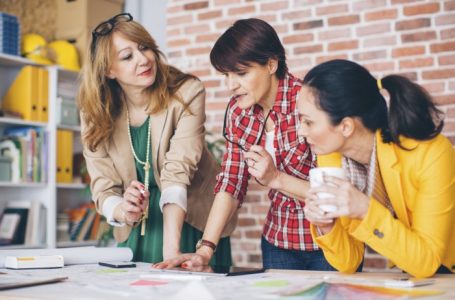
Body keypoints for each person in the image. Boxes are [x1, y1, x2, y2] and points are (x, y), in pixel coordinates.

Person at [155, 18, 335, 271]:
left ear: (271, 64)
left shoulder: (309, 103)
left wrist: (275, 177)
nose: (231, 85)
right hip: (279, 241)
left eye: (241, 73)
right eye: (226, 75)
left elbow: (335, 189)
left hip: (329, 243)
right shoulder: (240, 112)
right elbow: (231, 180)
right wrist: (205, 250)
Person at [78, 13, 236, 264]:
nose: (143, 60)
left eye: (144, 48)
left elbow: (178, 172)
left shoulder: (187, 92)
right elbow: (102, 186)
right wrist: (123, 209)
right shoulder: (95, 113)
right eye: (128, 56)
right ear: (108, 70)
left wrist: (171, 253)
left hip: (191, 220)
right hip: (138, 229)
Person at [297, 59, 455, 278]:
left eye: (308, 122)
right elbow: (348, 262)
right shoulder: (332, 158)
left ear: (345, 126)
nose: (300, 131)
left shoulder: (431, 153)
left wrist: (364, 209)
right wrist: (327, 226)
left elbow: (426, 261)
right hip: (418, 275)